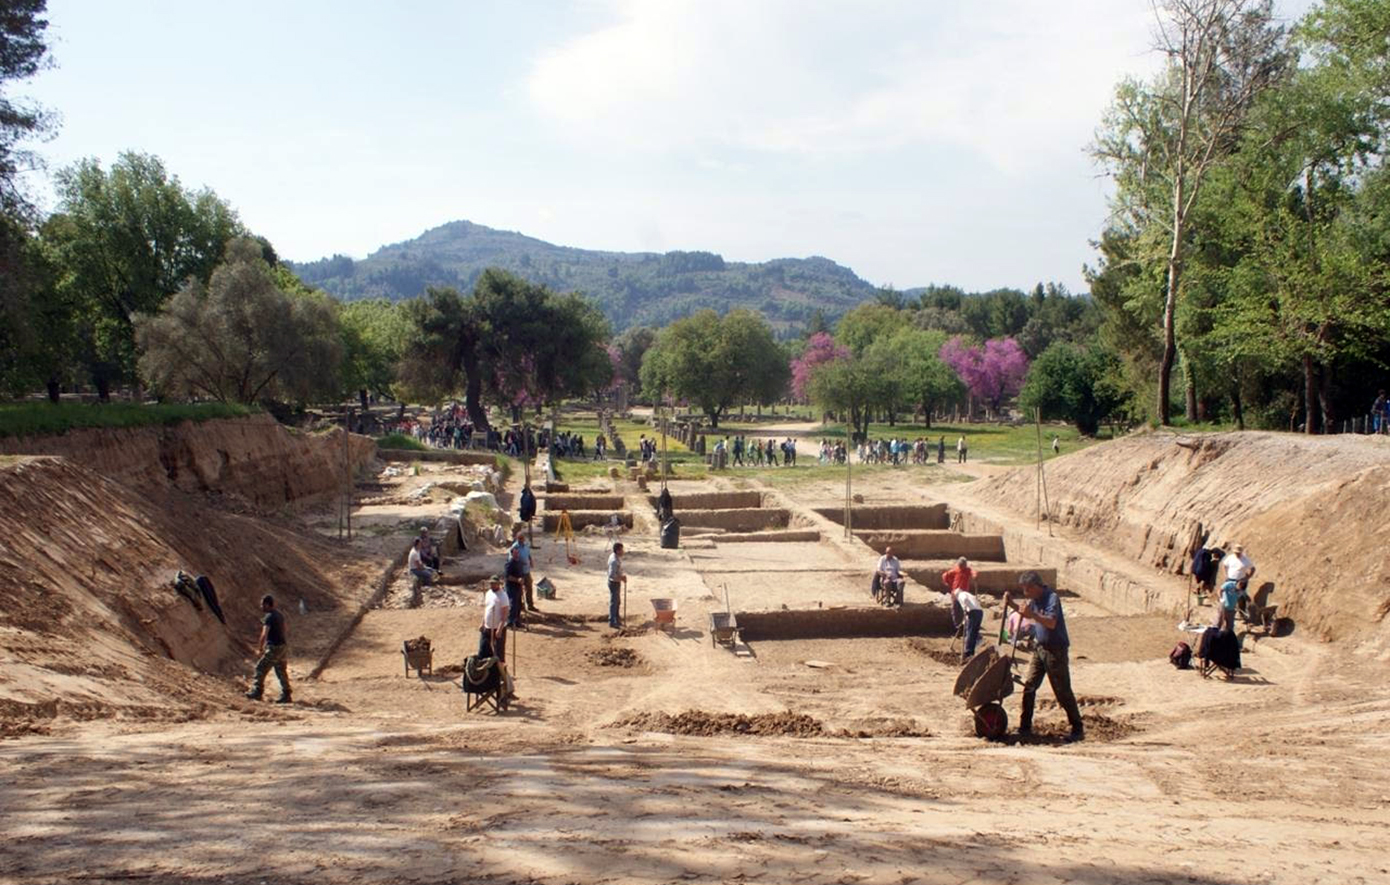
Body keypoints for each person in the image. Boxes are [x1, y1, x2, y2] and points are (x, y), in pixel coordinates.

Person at [1003, 571, 1084, 742]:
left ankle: (1077, 728)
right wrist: (1011, 604)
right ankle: (1025, 727)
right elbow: (1027, 613)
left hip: (1055, 651)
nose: (1025, 593)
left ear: (1035, 587)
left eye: (1027, 589)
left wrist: (1031, 614)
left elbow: (1051, 622)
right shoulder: (1036, 599)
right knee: (1029, 686)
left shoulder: (1051, 598)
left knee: (1062, 690)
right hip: (1040, 648)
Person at [246, 594, 291, 703]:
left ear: (267, 605)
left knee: (260, 668)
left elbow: (264, 634)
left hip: (274, 647)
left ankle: (257, 692)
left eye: (262, 604)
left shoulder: (269, 617)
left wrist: (260, 648)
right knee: (281, 670)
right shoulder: (279, 615)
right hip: (282, 646)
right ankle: (286, 694)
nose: (261, 607)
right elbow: (285, 629)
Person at [1216, 544, 1255, 630]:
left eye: (1238, 553)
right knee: (1228, 596)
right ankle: (1226, 611)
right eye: (1236, 552)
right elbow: (1224, 565)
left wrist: (1247, 577)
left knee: (1240, 597)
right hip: (1230, 580)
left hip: (1241, 581)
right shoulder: (1230, 558)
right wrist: (1225, 574)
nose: (1237, 554)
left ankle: (1241, 613)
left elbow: (1252, 568)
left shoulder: (1245, 559)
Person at [940, 556, 977, 629]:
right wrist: (948, 583)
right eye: (961, 565)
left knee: (964, 610)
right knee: (956, 610)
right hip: (955, 593)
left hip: (964, 594)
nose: (962, 567)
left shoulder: (967, 570)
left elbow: (973, 572)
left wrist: (975, 576)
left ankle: (964, 626)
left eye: (964, 565)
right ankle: (958, 627)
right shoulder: (955, 570)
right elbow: (945, 575)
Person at [479, 576, 509, 663]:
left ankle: (500, 673)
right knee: (483, 650)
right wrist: (482, 623)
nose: (492, 585)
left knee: (498, 653)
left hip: (497, 628)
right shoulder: (488, 593)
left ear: (498, 584)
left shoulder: (503, 596)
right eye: (491, 583)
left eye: (494, 583)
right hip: (487, 627)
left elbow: (505, 614)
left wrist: (499, 629)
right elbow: (486, 609)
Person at [510, 529, 536, 612]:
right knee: (519, 590)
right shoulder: (515, 547)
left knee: (529, 588)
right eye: (519, 538)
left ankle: (530, 605)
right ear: (517, 538)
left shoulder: (526, 546)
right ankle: (520, 606)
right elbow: (512, 559)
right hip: (519, 572)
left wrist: (531, 561)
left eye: (522, 538)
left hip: (526, 571)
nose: (521, 540)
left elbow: (528, 555)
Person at [956, 585, 984, 661]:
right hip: (980, 612)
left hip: (973, 612)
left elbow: (965, 600)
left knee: (970, 632)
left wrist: (965, 608)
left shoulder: (961, 595)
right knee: (974, 632)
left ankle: (967, 653)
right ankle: (971, 652)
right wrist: (965, 621)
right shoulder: (969, 594)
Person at [504, 545, 526, 628]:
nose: (517, 554)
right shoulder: (509, 563)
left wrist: (522, 581)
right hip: (511, 587)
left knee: (519, 604)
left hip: (518, 587)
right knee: (513, 604)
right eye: (515, 553)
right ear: (512, 554)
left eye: (518, 552)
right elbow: (508, 576)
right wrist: (517, 580)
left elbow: (522, 574)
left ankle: (517, 621)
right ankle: (510, 622)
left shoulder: (519, 562)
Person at [607, 542, 628, 628]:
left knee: (617, 602)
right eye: (622, 549)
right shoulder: (614, 561)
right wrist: (621, 578)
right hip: (614, 583)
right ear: (618, 550)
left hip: (616, 582)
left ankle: (616, 618)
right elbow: (612, 575)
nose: (623, 551)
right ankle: (612, 621)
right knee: (614, 602)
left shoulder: (615, 556)